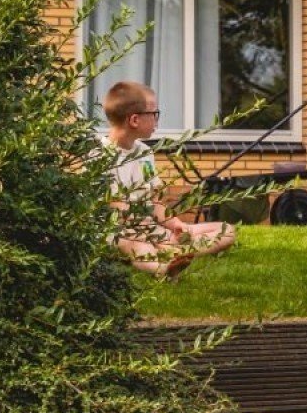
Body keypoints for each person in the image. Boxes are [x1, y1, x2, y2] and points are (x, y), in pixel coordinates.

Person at [101, 81, 236, 279]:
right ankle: (164, 268)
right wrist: (149, 234)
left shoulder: (145, 154)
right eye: (154, 114)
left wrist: (176, 225)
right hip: (119, 232)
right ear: (135, 120)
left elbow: (154, 202)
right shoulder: (100, 156)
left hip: (151, 229)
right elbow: (114, 208)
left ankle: (174, 251)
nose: (157, 120)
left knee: (227, 231)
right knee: (137, 245)